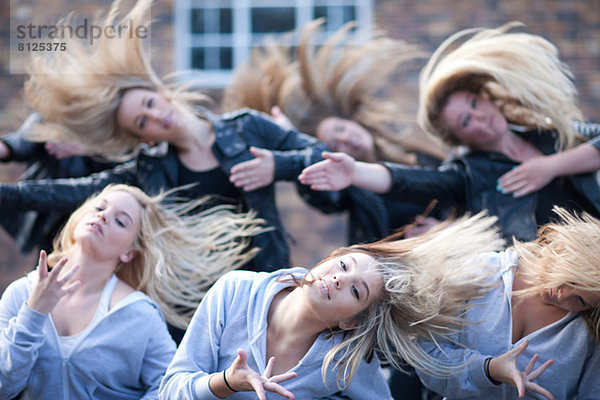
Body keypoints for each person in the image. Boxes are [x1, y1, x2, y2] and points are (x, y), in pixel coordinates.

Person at [2, 0, 335, 271]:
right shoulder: (148, 170)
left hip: (263, 278)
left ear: (161, 92)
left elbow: (323, 157)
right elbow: (64, 192)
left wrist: (277, 166)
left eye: (149, 103)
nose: (155, 116)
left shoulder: (247, 127)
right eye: (142, 122)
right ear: (143, 139)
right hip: (195, 296)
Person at [299, 23, 600, 242]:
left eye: (474, 103)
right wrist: (354, 173)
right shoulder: (469, 175)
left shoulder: (549, 132)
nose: (480, 117)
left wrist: (549, 167)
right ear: (460, 140)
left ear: (487, 97)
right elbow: (412, 181)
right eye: (466, 122)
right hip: (565, 276)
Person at [158, 211, 508, 399]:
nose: (340, 279)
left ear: (350, 323)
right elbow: (170, 391)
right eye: (343, 266)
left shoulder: (343, 362)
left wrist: (487, 368)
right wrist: (226, 383)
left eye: (356, 292)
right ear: (331, 257)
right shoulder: (234, 291)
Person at [0, 184, 263, 399]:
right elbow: (4, 386)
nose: (103, 216)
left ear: (128, 253)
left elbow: (167, 388)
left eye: (120, 221)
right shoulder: (21, 294)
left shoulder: (140, 315)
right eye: (100, 208)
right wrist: (33, 313)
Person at [416, 207, 600, 399]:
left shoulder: (590, 332)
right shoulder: (482, 271)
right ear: (561, 250)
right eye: (569, 280)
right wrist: (488, 369)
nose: (562, 295)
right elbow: (426, 357)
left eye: (580, 300)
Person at [222, 18, 451, 166]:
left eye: (340, 129)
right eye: (334, 145)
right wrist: (292, 141)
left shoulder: (420, 157)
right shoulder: (351, 191)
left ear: (351, 120)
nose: (346, 139)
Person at [0, 113, 119, 254]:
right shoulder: (58, 110)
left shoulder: (127, 128)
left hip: (96, 229)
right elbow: (24, 140)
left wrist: (92, 149)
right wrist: (5, 147)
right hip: (51, 225)